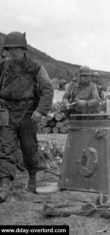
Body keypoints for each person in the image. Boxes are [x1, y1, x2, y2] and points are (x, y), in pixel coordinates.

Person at [0, 32, 54, 202]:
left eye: (17, 48)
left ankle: (33, 180)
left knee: (29, 149)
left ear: (23, 49)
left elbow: (47, 89)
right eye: (10, 49)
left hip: (28, 114)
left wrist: (40, 110)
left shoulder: (35, 67)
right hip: (7, 112)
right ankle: (4, 187)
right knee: (6, 149)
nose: (13, 52)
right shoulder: (3, 66)